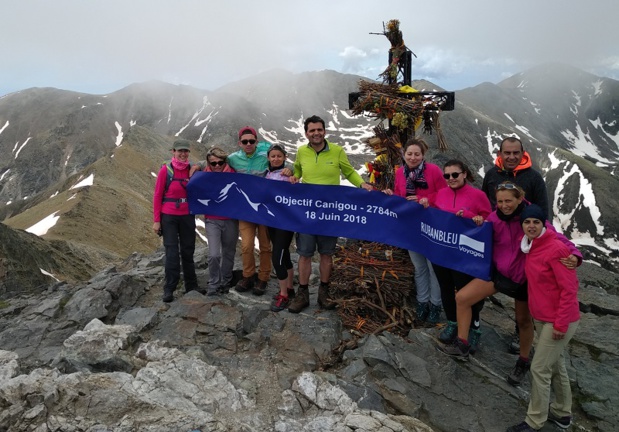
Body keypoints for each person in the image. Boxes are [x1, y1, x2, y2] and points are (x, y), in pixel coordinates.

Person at [440, 183, 580, 387]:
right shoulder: (495, 217)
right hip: (499, 274)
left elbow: (556, 237)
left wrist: (575, 254)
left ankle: (523, 361)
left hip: (523, 279)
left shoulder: (530, 219)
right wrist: (472, 217)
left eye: (509, 201)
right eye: (500, 201)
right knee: (462, 298)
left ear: (519, 199)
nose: (504, 205)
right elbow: (482, 227)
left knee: (523, 321)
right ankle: (462, 344)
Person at [288, 115, 373, 313]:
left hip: (329, 212)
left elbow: (349, 171)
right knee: (304, 254)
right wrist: (294, 177)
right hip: (308, 212)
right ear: (306, 133)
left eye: (319, 129)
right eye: (312, 130)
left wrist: (362, 184)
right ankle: (303, 294)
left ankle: (324, 293)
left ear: (324, 131)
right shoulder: (301, 151)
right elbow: (298, 170)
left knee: (326, 254)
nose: (316, 133)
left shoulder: (337, 151)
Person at [506, 204, 580, 432]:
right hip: (543, 318)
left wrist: (560, 323)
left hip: (558, 320)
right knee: (556, 366)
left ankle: (534, 421)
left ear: (544, 224)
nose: (531, 226)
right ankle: (562, 413)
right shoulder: (531, 246)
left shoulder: (555, 248)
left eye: (536, 222)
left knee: (539, 369)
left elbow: (570, 289)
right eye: (527, 222)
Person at [482, 136, 549, 354]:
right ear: (500, 153)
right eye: (507, 153)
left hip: (524, 248)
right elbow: (485, 205)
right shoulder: (492, 175)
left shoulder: (534, 178)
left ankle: (520, 335)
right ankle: (474, 323)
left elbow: (543, 215)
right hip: (498, 242)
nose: (511, 157)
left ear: (523, 153)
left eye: (515, 153)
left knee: (523, 292)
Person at [420, 159, 491, 350]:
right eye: (447, 176)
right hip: (441, 251)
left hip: (463, 254)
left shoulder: (478, 195)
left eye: (455, 175)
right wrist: (425, 202)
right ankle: (452, 323)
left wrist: (476, 218)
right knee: (445, 286)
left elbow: (489, 220)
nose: (450, 179)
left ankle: (474, 328)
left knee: (465, 290)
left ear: (464, 174)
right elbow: (429, 206)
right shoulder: (440, 193)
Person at [384, 138, 447, 323]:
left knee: (433, 267)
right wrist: (390, 196)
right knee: (419, 267)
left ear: (423, 155)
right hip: (411, 226)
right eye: (409, 154)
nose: (412, 158)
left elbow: (444, 193)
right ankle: (422, 303)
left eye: (416, 154)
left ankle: (435, 305)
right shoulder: (400, 173)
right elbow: (399, 194)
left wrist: (425, 199)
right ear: (404, 155)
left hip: (432, 224)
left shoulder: (433, 171)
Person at [227, 126, 273, 296]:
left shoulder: (265, 157)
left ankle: (263, 278)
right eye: (244, 141)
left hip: (263, 209)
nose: (248, 144)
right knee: (246, 245)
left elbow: (280, 162)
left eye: (251, 141)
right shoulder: (233, 158)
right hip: (245, 210)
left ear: (256, 142)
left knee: (265, 246)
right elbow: (213, 161)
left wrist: (289, 170)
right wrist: (198, 166)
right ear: (239, 143)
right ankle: (248, 276)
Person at [152, 139, 199, 302]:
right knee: (171, 252)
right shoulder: (166, 170)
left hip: (187, 215)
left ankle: (191, 286)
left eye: (185, 151)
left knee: (188, 250)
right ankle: (169, 288)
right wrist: (156, 220)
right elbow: (158, 195)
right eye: (180, 151)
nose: (183, 154)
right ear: (173, 152)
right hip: (169, 216)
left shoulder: (192, 170)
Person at [201, 147, 239, 296]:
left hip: (230, 219)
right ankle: (213, 283)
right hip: (212, 219)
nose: (217, 165)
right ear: (208, 163)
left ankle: (225, 282)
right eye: (213, 163)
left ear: (225, 161)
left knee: (229, 252)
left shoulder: (234, 174)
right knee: (214, 254)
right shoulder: (204, 175)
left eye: (220, 162)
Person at [264, 144, 296, 312]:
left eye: (279, 156)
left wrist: (292, 174)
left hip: (285, 223)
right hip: (272, 222)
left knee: (277, 258)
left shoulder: (288, 175)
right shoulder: (267, 174)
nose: (276, 159)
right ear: (268, 158)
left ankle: (283, 295)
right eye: (273, 156)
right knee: (285, 255)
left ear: (285, 157)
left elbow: (297, 190)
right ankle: (290, 288)